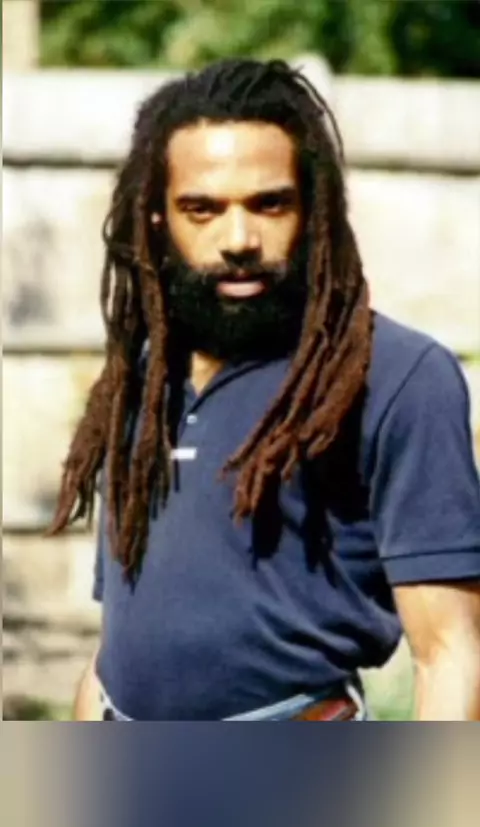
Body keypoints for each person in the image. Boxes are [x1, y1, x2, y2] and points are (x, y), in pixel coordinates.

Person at [48, 59, 480, 721]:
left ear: (313, 210)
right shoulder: (140, 384)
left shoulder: (393, 375)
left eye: (270, 204)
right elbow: (117, 646)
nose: (239, 239)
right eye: (202, 209)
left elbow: (452, 650)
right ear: (157, 218)